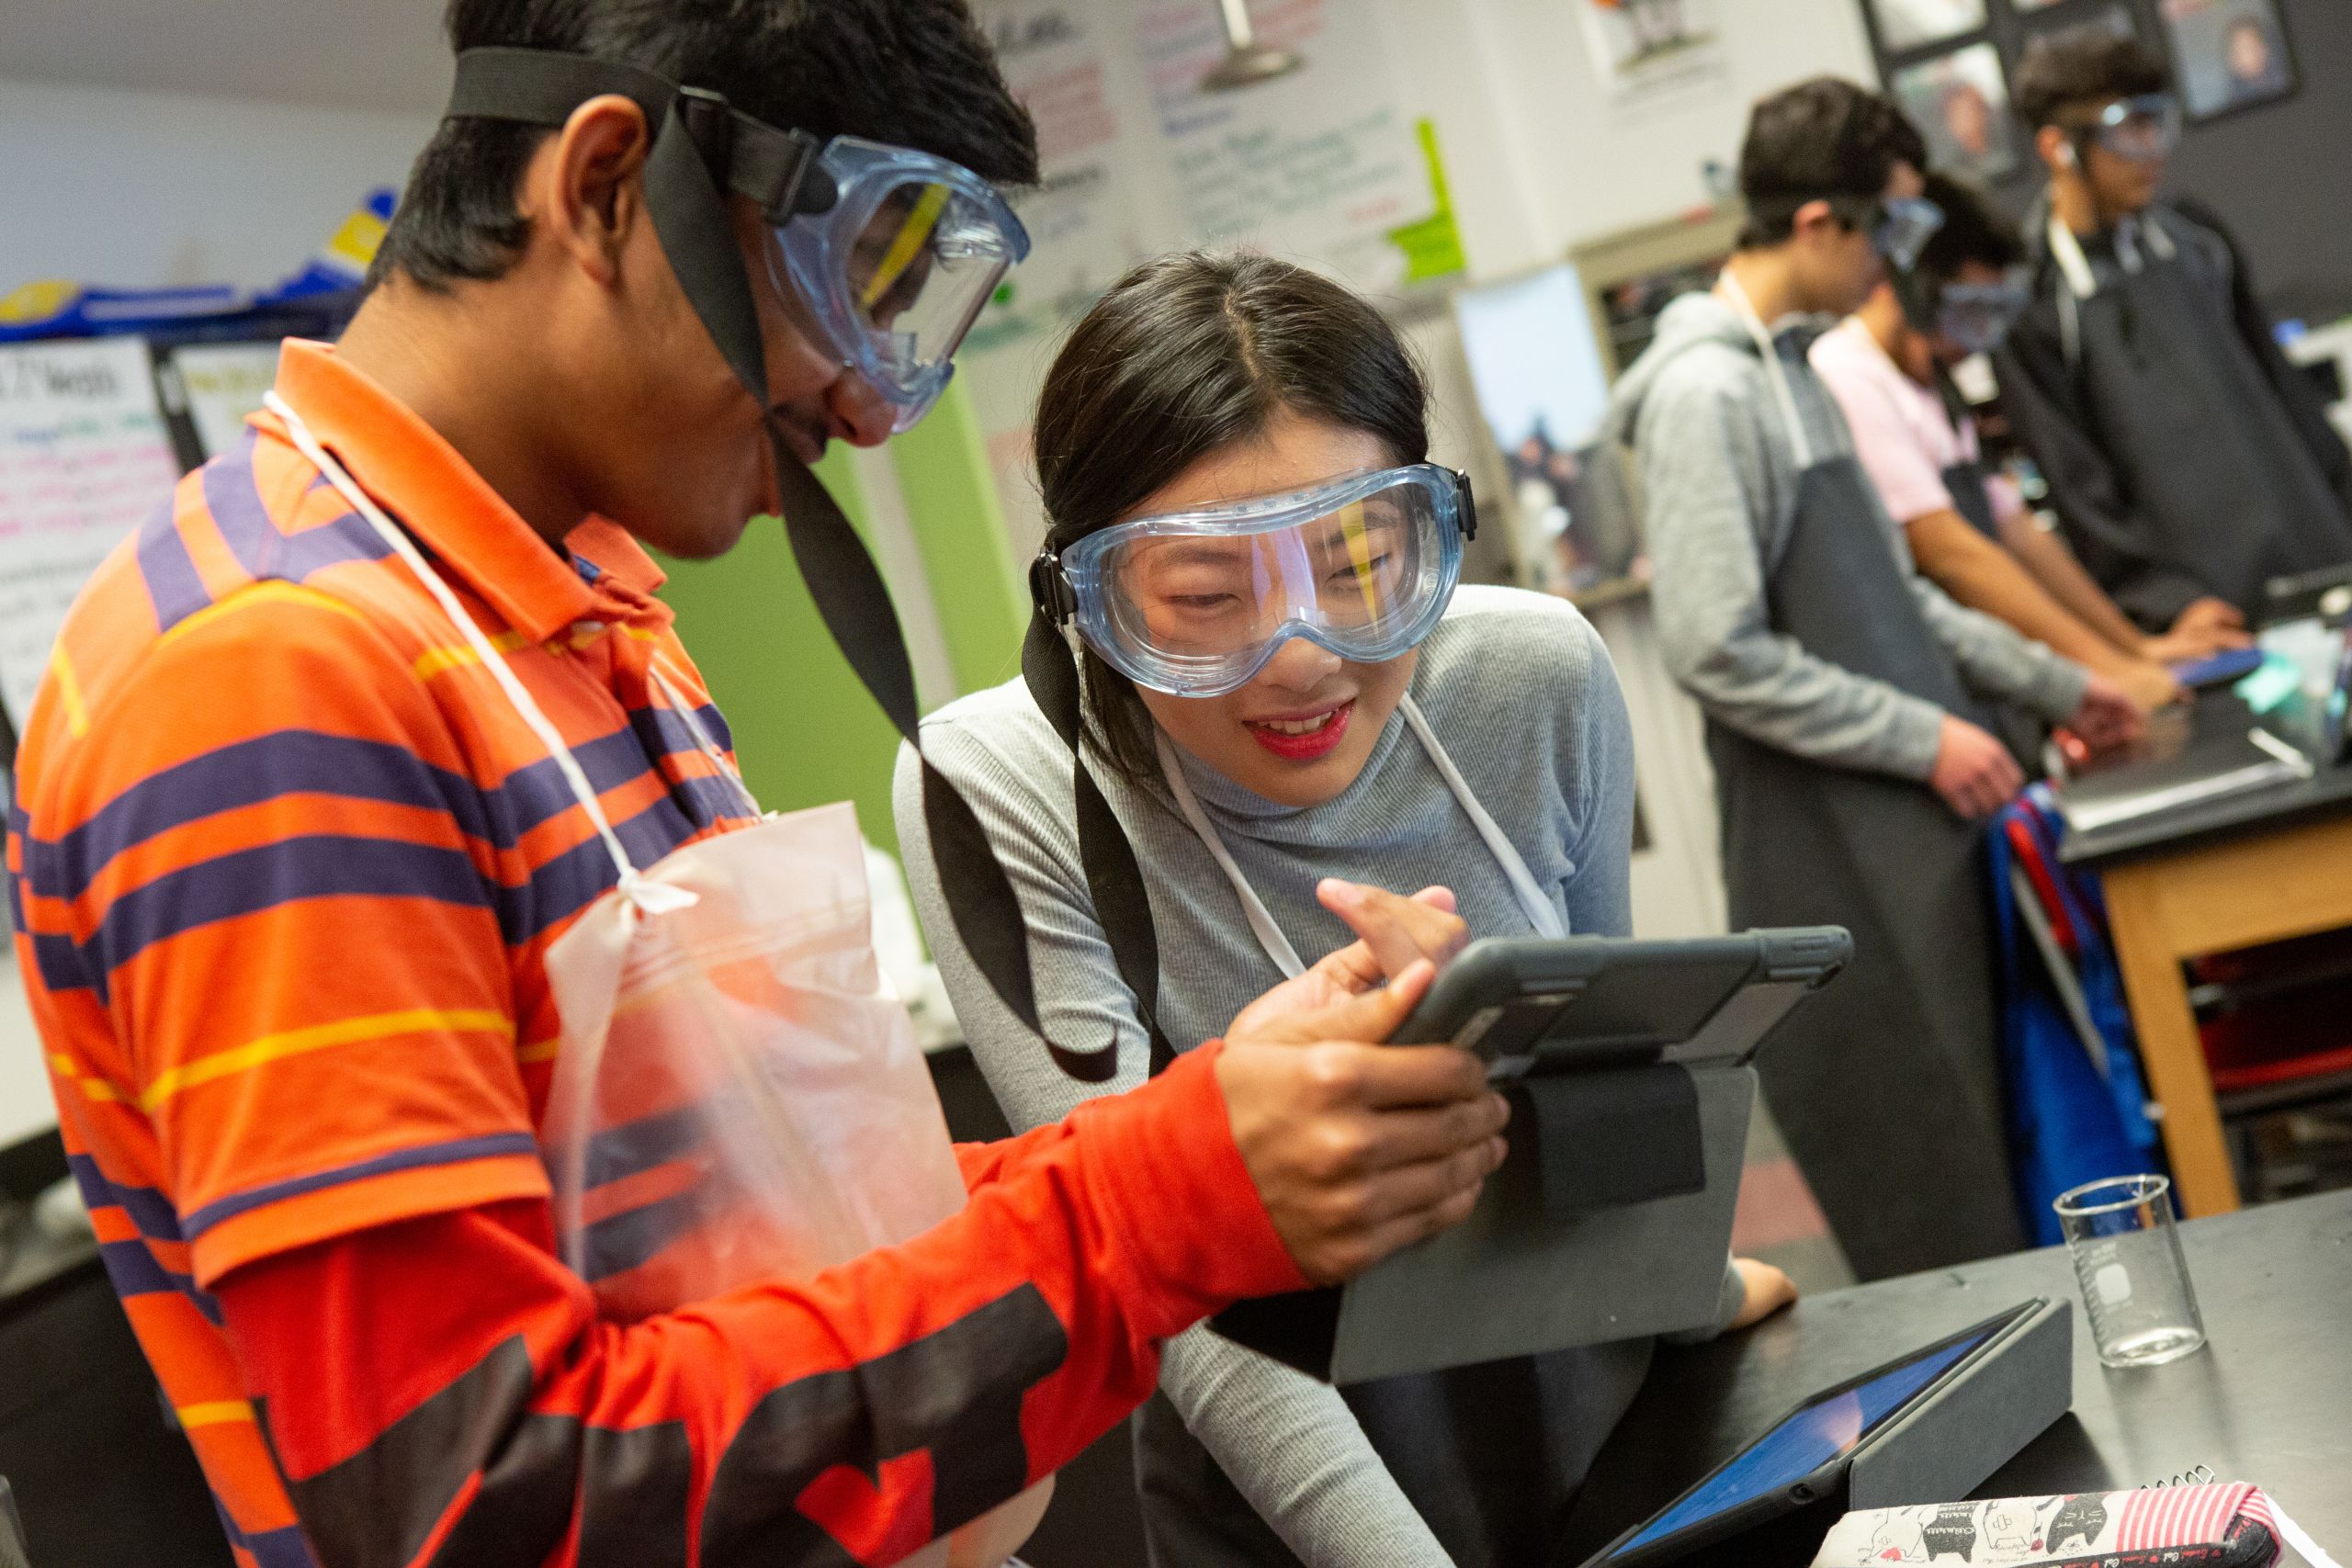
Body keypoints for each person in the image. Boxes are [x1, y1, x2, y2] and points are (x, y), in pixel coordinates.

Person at [5, 5, 1515, 1562]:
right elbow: (477, 1495)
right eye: (848, 293)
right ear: (602, 188)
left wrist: (1210, 1126)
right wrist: (1151, 1207)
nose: (866, 406)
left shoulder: (582, 611)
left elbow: (774, 1229)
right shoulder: (274, 676)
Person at [894, 252, 1798, 1568]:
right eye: (1207, 599)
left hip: (1604, 1416)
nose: (1304, 653)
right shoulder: (998, 782)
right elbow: (1157, 1279)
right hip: (1286, 1485)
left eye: (1363, 564)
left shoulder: (1534, 675)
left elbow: (1620, 1079)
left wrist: (1688, 1287)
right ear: (1089, 601)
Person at [1601, 77, 2143, 1282]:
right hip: (1830, 861)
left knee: (1999, 1160)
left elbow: (1902, 596)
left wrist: (2058, 683)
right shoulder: (1708, 395)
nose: (1902, 260)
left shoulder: (1796, 373)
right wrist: (1926, 736)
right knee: (1931, 1197)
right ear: (1817, 226)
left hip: (1912, 844)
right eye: (1891, 229)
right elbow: (1714, 646)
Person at [1809, 172, 2245, 716]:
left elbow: (2017, 531)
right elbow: (1952, 555)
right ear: (1911, 289)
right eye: (1969, 312)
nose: (1980, 341)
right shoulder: (1848, 374)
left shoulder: (1932, 386)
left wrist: (2135, 648)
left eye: (1996, 315)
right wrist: (2111, 673)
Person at [2000, 23, 2352, 626]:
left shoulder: (2197, 240)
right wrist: (2169, 603)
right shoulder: (2032, 300)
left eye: (2156, 120)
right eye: (2126, 129)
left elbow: (2286, 394)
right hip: (2210, 613)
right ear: (2058, 146)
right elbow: (2077, 486)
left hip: (2323, 554)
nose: (2152, 147)